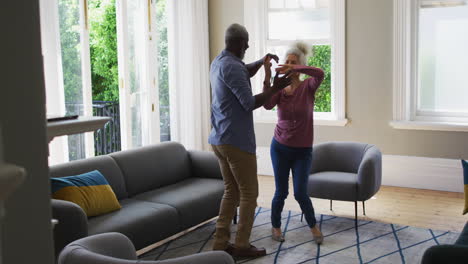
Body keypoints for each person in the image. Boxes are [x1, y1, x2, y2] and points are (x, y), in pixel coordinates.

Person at [209, 23, 292, 258]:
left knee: (231, 192)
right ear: (237, 43)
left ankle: (220, 243)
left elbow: (243, 69)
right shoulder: (232, 67)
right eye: (245, 42)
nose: (247, 46)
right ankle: (241, 246)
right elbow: (248, 103)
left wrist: (260, 61)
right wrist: (275, 88)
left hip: (219, 139)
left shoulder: (219, 62)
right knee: (248, 194)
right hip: (236, 141)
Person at [263, 42, 325, 244]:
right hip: (279, 147)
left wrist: (294, 69)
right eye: (287, 62)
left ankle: (313, 226)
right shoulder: (280, 89)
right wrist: (267, 77)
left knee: (300, 192)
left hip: (302, 151)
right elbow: (267, 105)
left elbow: (320, 73)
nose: (288, 65)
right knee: (281, 192)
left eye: (293, 62)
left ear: (300, 65)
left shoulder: (308, 86)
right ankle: (276, 226)